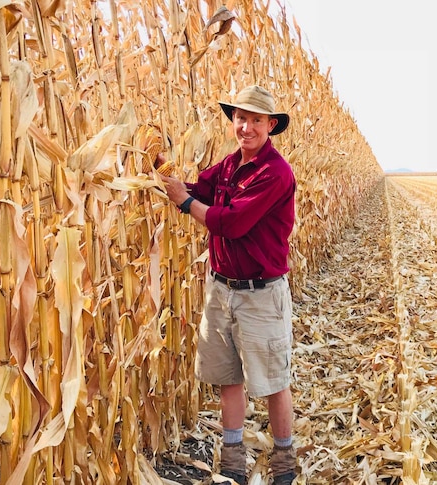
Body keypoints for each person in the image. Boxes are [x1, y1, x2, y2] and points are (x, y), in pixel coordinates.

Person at [158, 85, 297, 485]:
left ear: (271, 125)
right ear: (233, 120)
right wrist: (161, 167)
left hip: (261, 294)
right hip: (221, 290)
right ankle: (233, 463)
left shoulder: (274, 173)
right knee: (228, 378)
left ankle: (284, 464)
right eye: (240, 118)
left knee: (273, 382)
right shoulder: (228, 166)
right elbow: (197, 188)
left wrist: (184, 203)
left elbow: (229, 223)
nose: (246, 127)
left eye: (256, 120)